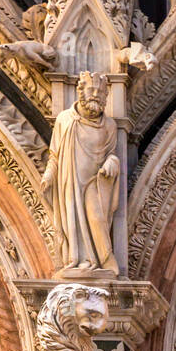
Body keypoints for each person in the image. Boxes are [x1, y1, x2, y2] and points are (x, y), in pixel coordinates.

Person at [42, 71, 120, 276]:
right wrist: (49, 176)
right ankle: (76, 259)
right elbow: (55, 155)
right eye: (91, 90)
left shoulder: (109, 125)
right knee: (73, 220)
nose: (95, 95)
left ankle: (97, 259)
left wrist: (112, 163)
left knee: (95, 217)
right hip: (70, 181)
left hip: (96, 182)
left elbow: (112, 154)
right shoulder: (65, 120)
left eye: (100, 92)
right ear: (80, 92)